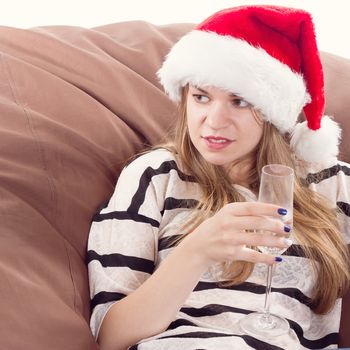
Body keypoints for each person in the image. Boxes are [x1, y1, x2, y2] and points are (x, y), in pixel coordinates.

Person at [87, 5, 350, 350]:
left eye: (238, 102)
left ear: (272, 112)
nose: (213, 121)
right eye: (201, 97)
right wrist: (197, 251)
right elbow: (112, 336)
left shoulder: (332, 183)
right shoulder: (156, 174)